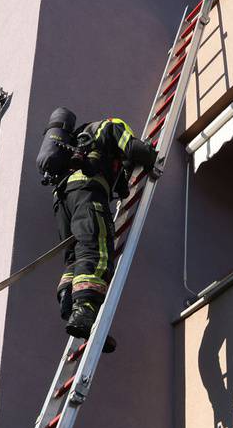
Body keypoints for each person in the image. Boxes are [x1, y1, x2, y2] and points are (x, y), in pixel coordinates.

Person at [35, 107, 159, 341]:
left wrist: (123, 178)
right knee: (96, 250)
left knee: (76, 256)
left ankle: (69, 301)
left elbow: (121, 186)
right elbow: (132, 148)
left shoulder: (83, 139)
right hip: (86, 193)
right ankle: (84, 311)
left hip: (62, 201)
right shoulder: (113, 125)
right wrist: (153, 158)